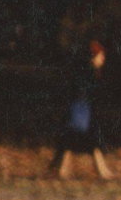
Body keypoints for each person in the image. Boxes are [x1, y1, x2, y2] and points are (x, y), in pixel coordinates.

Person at [46, 40, 112, 180]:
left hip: (81, 113)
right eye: (101, 56)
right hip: (81, 113)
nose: (103, 59)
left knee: (72, 143)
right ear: (93, 57)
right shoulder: (88, 73)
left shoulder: (87, 72)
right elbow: (84, 95)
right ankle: (102, 172)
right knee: (89, 143)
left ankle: (61, 171)